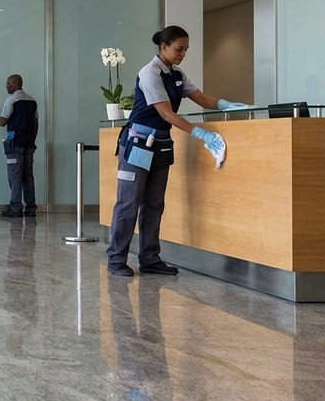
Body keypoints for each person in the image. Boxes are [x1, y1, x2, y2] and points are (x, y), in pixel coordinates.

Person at [106, 26, 248, 277]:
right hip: (138, 144)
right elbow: (166, 113)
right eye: (179, 49)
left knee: (154, 204)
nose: (183, 54)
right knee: (128, 202)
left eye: (186, 50)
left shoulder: (176, 74)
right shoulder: (149, 73)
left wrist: (225, 104)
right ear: (164, 47)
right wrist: (200, 133)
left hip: (161, 144)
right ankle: (116, 259)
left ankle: (150, 259)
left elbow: (200, 97)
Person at [0, 74, 39, 218]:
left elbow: (2, 122)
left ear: (16, 84)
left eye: (9, 84)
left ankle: (16, 209)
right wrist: (32, 141)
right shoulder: (32, 101)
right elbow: (36, 123)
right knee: (28, 175)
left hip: (15, 143)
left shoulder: (11, 100)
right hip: (29, 143)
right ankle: (31, 209)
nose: (7, 86)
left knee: (15, 175)